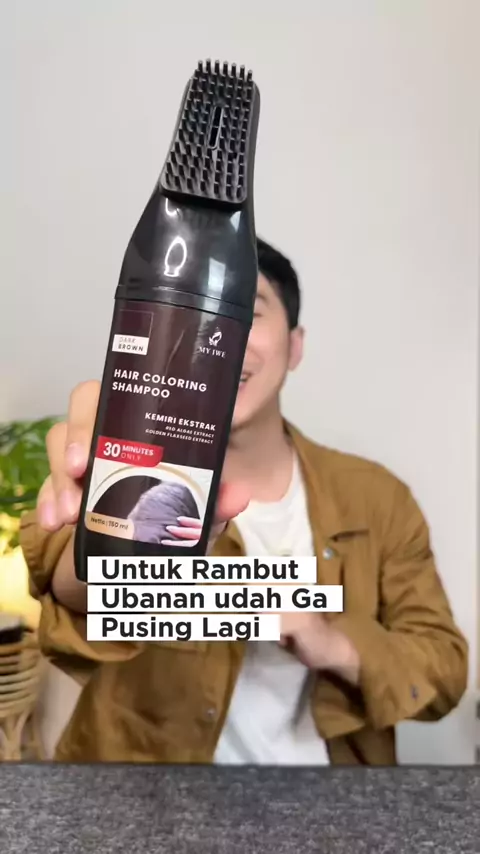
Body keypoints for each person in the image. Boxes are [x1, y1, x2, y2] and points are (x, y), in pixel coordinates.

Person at [20, 238, 468, 764]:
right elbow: (75, 590)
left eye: (247, 312)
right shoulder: (128, 474)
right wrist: (112, 538)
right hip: (151, 797)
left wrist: (328, 639)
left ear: (294, 346)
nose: (220, 337)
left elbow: (443, 670)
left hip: (329, 798)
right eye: (199, 313)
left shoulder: (376, 497)